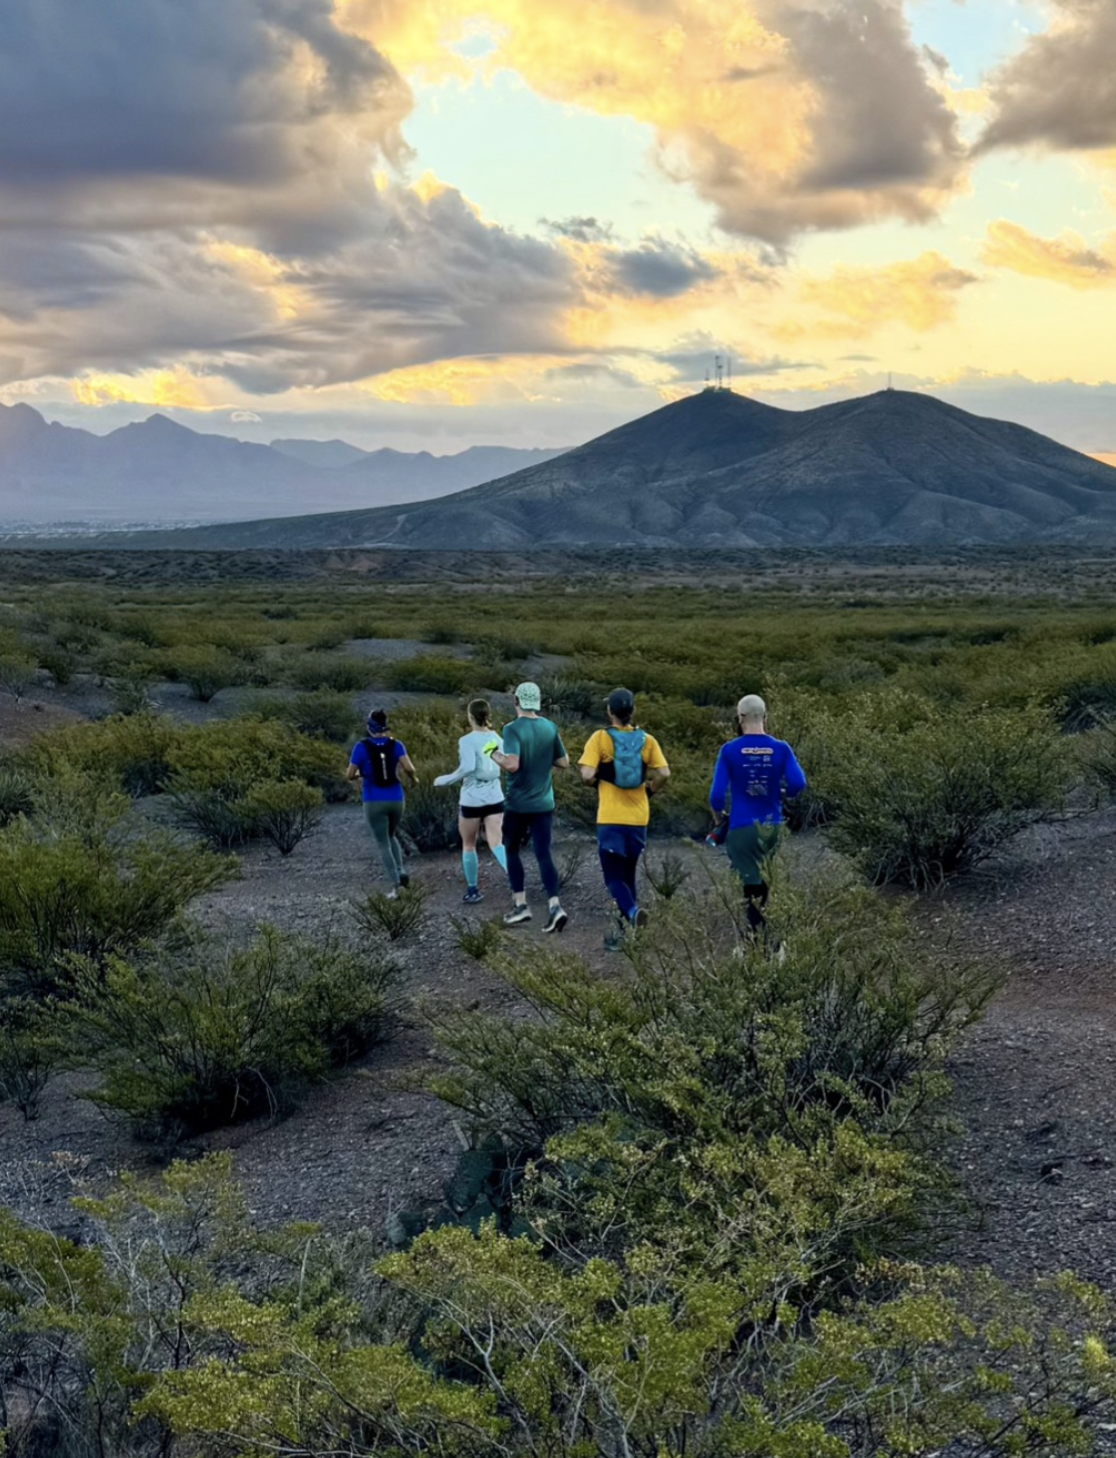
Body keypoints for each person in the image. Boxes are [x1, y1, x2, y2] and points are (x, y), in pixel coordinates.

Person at [709, 693, 806, 939]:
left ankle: (757, 941)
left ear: (740, 718)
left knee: (749, 885)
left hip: (741, 826)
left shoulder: (729, 750)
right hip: (771, 826)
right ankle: (767, 938)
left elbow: (716, 797)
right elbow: (798, 783)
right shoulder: (781, 748)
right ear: (765, 717)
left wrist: (720, 819)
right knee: (764, 879)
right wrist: (783, 793)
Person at [579, 687, 670, 950]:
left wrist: (598, 780)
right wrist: (649, 791)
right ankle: (627, 936)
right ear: (633, 711)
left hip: (610, 818)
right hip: (638, 817)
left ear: (610, 711)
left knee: (612, 879)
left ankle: (631, 914)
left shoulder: (600, 739)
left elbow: (586, 774)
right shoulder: (648, 740)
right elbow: (663, 772)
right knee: (628, 875)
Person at [491, 681, 570, 932]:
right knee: (543, 853)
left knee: (512, 850)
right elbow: (564, 761)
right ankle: (555, 906)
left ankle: (521, 905)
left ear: (516, 701)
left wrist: (493, 753)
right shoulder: (550, 727)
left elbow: (512, 764)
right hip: (544, 803)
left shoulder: (512, 729)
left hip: (518, 804)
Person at [433, 698, 508, 904]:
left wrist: (445, 780)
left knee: (468, 844)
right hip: (495, 796)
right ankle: (516, 880)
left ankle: (473, 890)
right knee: (496, 842)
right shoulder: (497, 738)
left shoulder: (467, 741)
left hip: (472, 799)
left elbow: (467, 767)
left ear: (470, 716)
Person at [347, 708, 418, 898]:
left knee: (382, 842)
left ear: (370, 727)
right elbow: (409, 767)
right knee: (391, 834)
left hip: (374, 799)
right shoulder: (396, 745)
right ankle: (401, 870)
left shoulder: (361, 747)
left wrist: (362, 775)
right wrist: (413, 780)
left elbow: (349, 774)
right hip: (396, 798)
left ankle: (396, 886)